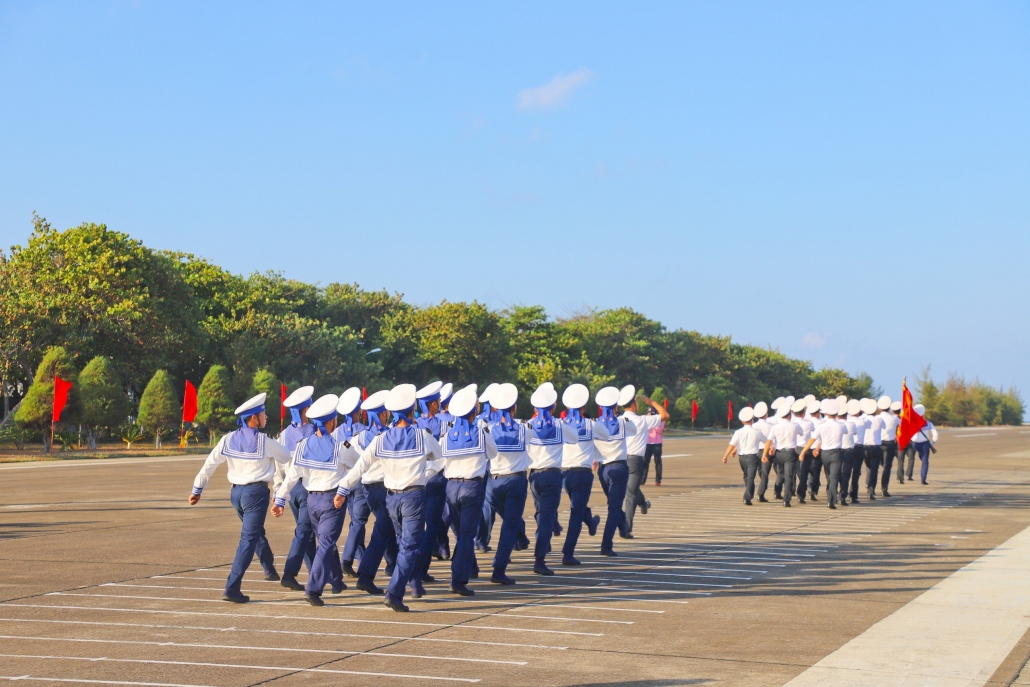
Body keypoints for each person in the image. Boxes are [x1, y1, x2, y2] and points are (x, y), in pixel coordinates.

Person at [337, 384, 445, 612]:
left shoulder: (380, 440)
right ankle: (394, 592)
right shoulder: (421, 435)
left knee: (404, 543)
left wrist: (342, 489)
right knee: (409, 546)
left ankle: (414, 585)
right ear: (411, 410)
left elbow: (359, 467)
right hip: (413, 496)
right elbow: (440, 457)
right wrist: (424, 473)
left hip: (391, 498)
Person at [188, 393, 291, 603]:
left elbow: (210, 463)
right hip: (256, 494)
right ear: (254, 418)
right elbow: (286, 456)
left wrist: (197, 488)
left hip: (236, 495)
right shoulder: (264, 441)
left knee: (253, 532)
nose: (265, 417)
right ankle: (232, 587)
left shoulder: (228, 439)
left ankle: (268, 567)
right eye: (262, 414)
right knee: (248, 539)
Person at [273, 394, 359, 606]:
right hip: (332, 501)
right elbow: (358, 467)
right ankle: (313, 589)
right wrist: (344, 489)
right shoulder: (341, 447)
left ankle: (337, 581)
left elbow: (292, 475)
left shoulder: (302, 446)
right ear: (332, 422)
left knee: (325, 543)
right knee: (326, 544)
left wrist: (280, 499)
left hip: (312, 502)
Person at [440, 384, 497, 596]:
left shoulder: (446, 437)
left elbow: (438, 459)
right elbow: (493, 453)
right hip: (472, 487)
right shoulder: (481, 434)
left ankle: (466, 569)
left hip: (451, 488)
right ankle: (458, 579)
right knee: (466, 536)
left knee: (460, 535)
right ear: (474, 412)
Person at [526, 383, 579, 575]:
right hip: (552, 476)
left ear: (534, 408)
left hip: (534, 476)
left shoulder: (528, 425)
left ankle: (544, 541)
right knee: (547, 517)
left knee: (541, 513)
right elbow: (574, 438)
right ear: (554, 408)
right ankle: (539, 559)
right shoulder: (560, 425)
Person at [350, 390, 400, 596]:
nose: (387, 415)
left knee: (387, 530)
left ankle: (396, 567)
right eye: (385, 412)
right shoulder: (388, 435)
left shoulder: (358, 437)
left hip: (367, 490)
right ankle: (366, 576)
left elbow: (351, 463)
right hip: (384, 489)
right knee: (381, 533)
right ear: (380, 415)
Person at [483, 382, 530, 584]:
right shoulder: (524, 428)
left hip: (494, 483)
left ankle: (521, 537)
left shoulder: (488, 429)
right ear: (514, 407)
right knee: (510, 525)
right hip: (516, 480)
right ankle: (499, 569)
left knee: (509, 521)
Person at [275, 386, 317, 592]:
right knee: (304, 531)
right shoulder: (313, 431)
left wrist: (280, 494)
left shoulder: (283, 435)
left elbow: (278, 467)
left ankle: (315, 573)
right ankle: (289, 574)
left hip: (290, 490)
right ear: (305, 410)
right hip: (307, 487)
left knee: (306, 532)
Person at [559, 383, 602, 566]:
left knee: (578, 506)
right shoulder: (591, 424)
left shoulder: (560, 423)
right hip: (582, 474)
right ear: (584, 407)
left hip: (564, 475)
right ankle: (568, 553)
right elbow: (607, 434)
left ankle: (591, 521)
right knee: (576, 513)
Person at [592, 386, 637, 555]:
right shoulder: (622, 422)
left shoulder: (595, 424)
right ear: (615, 407)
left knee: (613, 504)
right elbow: (635, 430)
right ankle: (606, 546)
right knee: (614, 507)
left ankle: (623, 525)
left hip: (603, 470)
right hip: (618, 468)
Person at [620, 385, 670, 533]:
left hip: (621, 460)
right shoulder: (642, 420)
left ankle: (627, 528)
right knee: (631, 492)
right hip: (635, 460)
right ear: (634, 404)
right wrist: (652, 403)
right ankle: (642, 505)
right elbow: (665, 416)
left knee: (630, 491)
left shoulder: (618, 420)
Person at [413, 381, 449, 585]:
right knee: (432, 526)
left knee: (416, 527)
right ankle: (420, 568)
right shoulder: (444, 423)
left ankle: (416, 567)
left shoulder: (415, 424)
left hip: (417, 479)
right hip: (435, 479)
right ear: (434, 404)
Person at [332, 387, 366, 577]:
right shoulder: (363, 431)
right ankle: (348, 558)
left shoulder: (336, 432)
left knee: (356, 522)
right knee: (358, 521)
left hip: (342, 481)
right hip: (359, 481)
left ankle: (361, 560)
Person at [799, 399, 845, 509]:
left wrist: (803, 452)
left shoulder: (821, 426)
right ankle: (831, 500)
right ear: (837, 413)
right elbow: (846, 432)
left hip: (825, 454)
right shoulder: (841, 426)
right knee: (834, 477)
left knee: (829, 476)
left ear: (825, 413)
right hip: (837, 453)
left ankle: (830, 494)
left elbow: (812, 440)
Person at [721, 406, 766, 505]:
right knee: (748, 477)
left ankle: (747, 497)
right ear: (752, 420)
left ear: (742, 421)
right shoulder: (757, 432)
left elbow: (732, 444)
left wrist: (725, 456)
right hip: (752, 458)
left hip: (742, 459)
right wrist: (768, 451)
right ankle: (750, 491)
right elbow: (767, 442)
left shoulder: (738, 432)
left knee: (748, 477)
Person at [761, 403, 802, 507]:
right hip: (790, 453)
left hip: (778, 454)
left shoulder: (775, 427)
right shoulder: (795, 425)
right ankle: (786, 499)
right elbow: (801, 433)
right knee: (789, 476)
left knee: (780, 474)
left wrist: (764, 455)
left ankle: (777, 492)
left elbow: (769, 442)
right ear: (789, 415)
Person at [860, 397, 885, 500]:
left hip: (864, 447)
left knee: (867, 468)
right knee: (874, 469)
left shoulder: (862, 420)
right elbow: (884, 426)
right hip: (875, 447)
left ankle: (867, 484)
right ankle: (871, 490)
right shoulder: (879, 420)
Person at [793, 400, 816, 504]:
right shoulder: (809, 423)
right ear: (804, 413)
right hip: (805, 450)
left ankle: (791, 491)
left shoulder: (791, 423)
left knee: (794, 472)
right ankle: (801, 495)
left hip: (793, 449)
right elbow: (814, 434)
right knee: (804, 474)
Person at [847, 400, 868, 503]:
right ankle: (853, 495)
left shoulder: (846, 420)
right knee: (856, 473)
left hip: (847, 448)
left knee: (845, 471)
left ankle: (841, 493)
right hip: (859, 448)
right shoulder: (863, 421)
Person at [911, 404, 938, 484]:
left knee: (917, 457)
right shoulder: (928, 423)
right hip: (925, 444)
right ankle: (923, 480)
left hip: (914, 444)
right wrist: (931, 442)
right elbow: (935, 434)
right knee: (925, 462)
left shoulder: (911, 423)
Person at [752, 402, 773, 502]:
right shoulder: (770, 426)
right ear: (765, 414)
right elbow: (772, 440)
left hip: (756, 451)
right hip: (766, 451)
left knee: (760, 472)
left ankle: (760, 488)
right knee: (765, 473)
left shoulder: (753, 425)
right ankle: (761, 494)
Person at [880, 398, 901, 495]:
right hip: (890, 444)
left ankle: (870, 487)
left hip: (878, 444)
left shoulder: (877, 418)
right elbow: (902, 425)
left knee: (873, 467)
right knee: (887, 467)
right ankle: (884, 488)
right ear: (889, 408)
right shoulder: (894, 418)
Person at [644, 406, 665, 487]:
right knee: (645, 462)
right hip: (648, 443)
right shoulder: (645, 420)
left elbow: (660, 430)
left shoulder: (661, 420)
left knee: (658, 462)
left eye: (652, 414)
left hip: (657, 443)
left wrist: (653, 423)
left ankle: (658, 480)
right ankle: (643, 479)